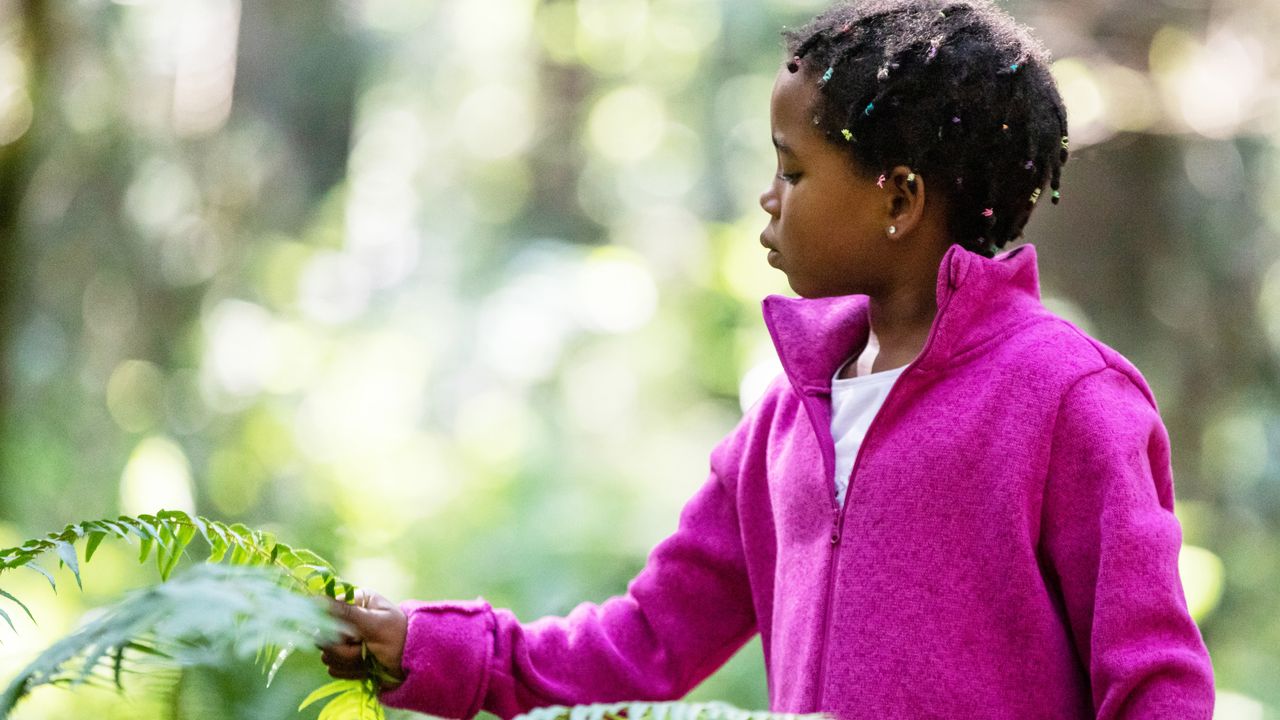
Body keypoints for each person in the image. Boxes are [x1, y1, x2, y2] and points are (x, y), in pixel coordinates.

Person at [320, 1, 1216, 717]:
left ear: (897, 198)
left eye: (792, 171)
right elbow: (646, 640)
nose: (768, 195)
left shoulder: (1068, 400)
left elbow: (1155, 684)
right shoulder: (792, 414)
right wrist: (430, 646)